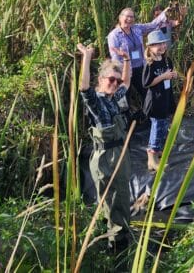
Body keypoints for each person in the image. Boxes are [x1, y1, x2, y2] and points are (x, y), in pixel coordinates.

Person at [77, 43, 135, 250]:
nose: (115, 83)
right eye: (111, 79)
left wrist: (126, 60)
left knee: (122, 196)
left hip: (120, 154)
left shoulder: (114, 97)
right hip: (105, 158)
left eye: (116, 80)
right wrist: (87, 57)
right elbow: (83, 88)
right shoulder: (97, 101)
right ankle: (115, 243)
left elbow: (126, 83)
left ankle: (119, 233)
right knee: (111, 201)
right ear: (101, 80)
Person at [107, 7, 168, 104]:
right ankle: (128, 119)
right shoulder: (114, 35)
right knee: (124, 97)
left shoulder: (137, 28)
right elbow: (115, 57)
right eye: (127, 16)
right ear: (120, 17)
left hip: (140, 68)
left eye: (132, 17)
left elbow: (153, 25)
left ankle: (148, 117)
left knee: (147, 93)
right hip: (125, 71)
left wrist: (165, 13)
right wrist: (119, 74)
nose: (130, 19)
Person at [142, 30, 178, 171]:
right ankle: (152, 157)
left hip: (166, 98)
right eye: (157, 44)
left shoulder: (166, 60)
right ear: (150, 47)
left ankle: (159, 150)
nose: (162, 47)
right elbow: (147, 83)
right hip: (155, 102)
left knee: (163, 126)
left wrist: (172, 75)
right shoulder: (150, 64)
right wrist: (163, 76)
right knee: (156, 128)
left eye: (163, 43)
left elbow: (168, 76)